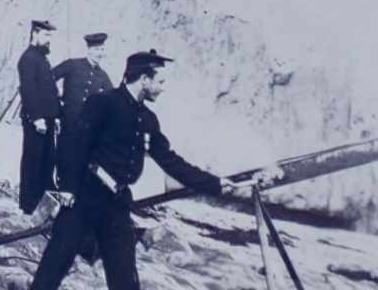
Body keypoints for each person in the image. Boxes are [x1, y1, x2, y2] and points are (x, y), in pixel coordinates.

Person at [29, 50, 265, 289]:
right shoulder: (103, 103)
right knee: (51, 271)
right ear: (144, 79)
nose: (163, 88)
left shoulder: (147, 119)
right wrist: (68, 189)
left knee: (126, 282)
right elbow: (74, 146)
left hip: (117, 205)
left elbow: (171, 161)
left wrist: (215, 183)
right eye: (160, 81)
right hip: (83, 198)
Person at [54, 32, 114, 182]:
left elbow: (113, 101)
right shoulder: (72, 64)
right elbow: (48, 78)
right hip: (67, 123)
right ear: (89, 50)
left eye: (102, 50)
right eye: (97, 50)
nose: (100, 54)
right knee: (62, 160)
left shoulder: (103, 76)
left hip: (87, 130)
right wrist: (57, 97)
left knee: (79, 166)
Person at [17, 19, 61, 213]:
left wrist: (56, 116)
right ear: (34, 34)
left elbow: (48, 90)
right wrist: (37, 118)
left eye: (50, 35)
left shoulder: (42, 58)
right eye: (45, 35)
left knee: (47, 161)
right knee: (32, 161)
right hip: (37, 121)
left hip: (48, 120)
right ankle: (27, 205)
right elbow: (28, 90)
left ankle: (41, 204)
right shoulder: (28, 59)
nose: (48, 39)